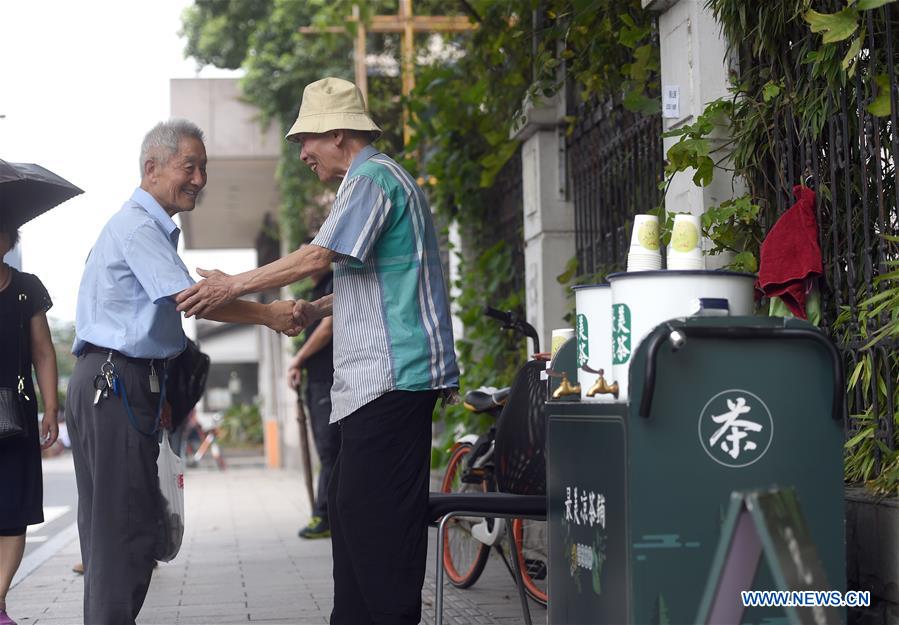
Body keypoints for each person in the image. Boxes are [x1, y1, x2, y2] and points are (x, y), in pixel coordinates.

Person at [176, 77, 460, 625]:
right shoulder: (369, 181)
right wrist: (313, 310)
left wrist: (233, 284)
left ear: (336, 133)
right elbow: (370, 278)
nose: (302, 153)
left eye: (306, 140)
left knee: (377, 529)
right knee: (353, 519)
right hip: (374, 384)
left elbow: (318, 255)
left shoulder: (372, 179)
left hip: (393, 380)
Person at [66, 118, 300, 625]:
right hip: (115, 383)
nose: (199, 178)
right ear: (151, 168)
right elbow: (190, 299)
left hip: (117, 381)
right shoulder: (138, 226)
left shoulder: (143, 228)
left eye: (204, 168)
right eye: (188, 166)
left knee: (116, 530)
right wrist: (268, 314)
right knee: (125, 533)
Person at [0, 225, 59, 625]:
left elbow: (43, 350)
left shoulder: (27, 288)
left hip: (16, 416)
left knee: (14, 512)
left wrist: (51, 406)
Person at [287, 260, 338, 539]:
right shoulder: (318, 288)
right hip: (318, 379)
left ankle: (324, 515)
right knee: (329, 450)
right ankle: (332, 514)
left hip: (329, 381)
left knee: (330, 450)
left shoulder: (334, 282)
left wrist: (298, 357)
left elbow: (327, 329)